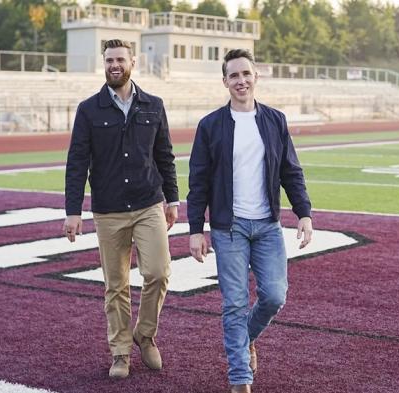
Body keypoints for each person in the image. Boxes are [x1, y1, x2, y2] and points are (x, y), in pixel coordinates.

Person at [187, 49, 313, 393]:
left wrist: (303, 212)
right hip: (230, 228)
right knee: (235, 302)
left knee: (274, 296)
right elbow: (198, 182)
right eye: (233, 76)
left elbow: (291, 171)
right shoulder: (211, 125)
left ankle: (246, 338)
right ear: (225, 81)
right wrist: (195, 230)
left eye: (246, 74)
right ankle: (240, 378)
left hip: (268, 225)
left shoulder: (275, 120)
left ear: (256, 76)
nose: (240, 81)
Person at [63, 39, 178, 379]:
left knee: (158, 272)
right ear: (104, 63)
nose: (114, 65)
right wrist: (73, 210)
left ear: (133, 62)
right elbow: (77, 162)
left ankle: (145, 333)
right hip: (109, 210)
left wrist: (172, 200)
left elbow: (165, 156)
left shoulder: (154, 106)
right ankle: (121, 352)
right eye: (109, 60)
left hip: (148, 204)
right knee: (116, 285)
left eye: (120, 59)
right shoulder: (89, 109)